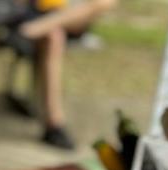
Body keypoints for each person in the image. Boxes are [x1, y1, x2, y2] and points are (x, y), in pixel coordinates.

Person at [17, 0, 119, 149]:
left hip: (66, 14)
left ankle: (36, 28)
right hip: (37, 12)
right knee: (54, 37)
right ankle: (54, 124)